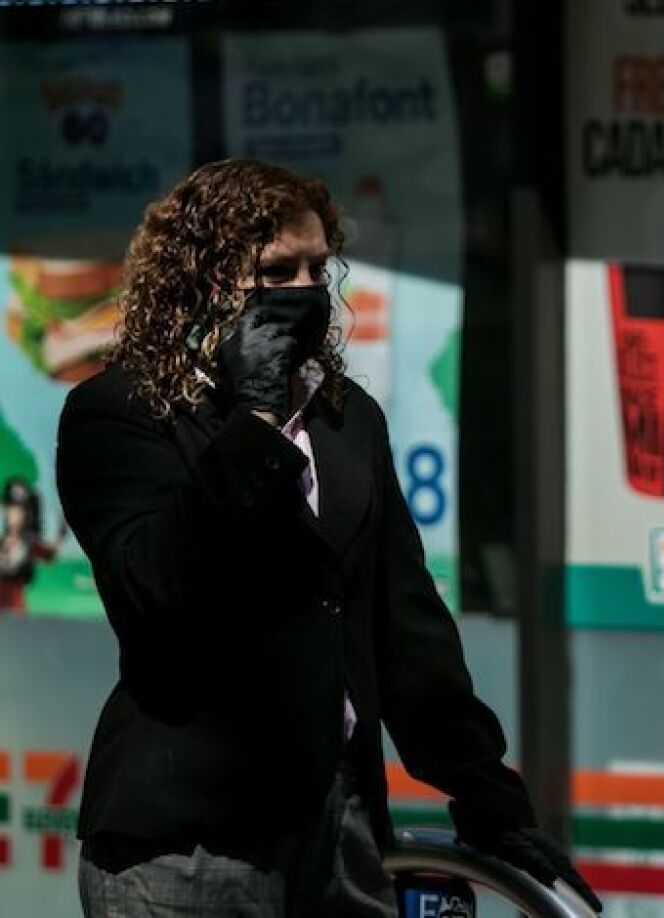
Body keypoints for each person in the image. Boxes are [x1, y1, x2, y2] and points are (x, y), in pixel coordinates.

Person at [56, 159, 602, 916]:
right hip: (191, 843)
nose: (305, 287)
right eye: (277, 270)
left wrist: (485, 794)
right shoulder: (121, 413)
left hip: (338, 822)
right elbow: (155, 590)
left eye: (318, 266)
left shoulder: (347, 418)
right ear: (203, 284)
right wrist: (250, 423)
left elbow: (403, 623)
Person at [0, 476, 63, 613]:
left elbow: (50, 555)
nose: (12, 514)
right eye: (9, 508)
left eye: (18, 510)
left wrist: (60, 533)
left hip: (16, 609)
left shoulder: (28, 542)